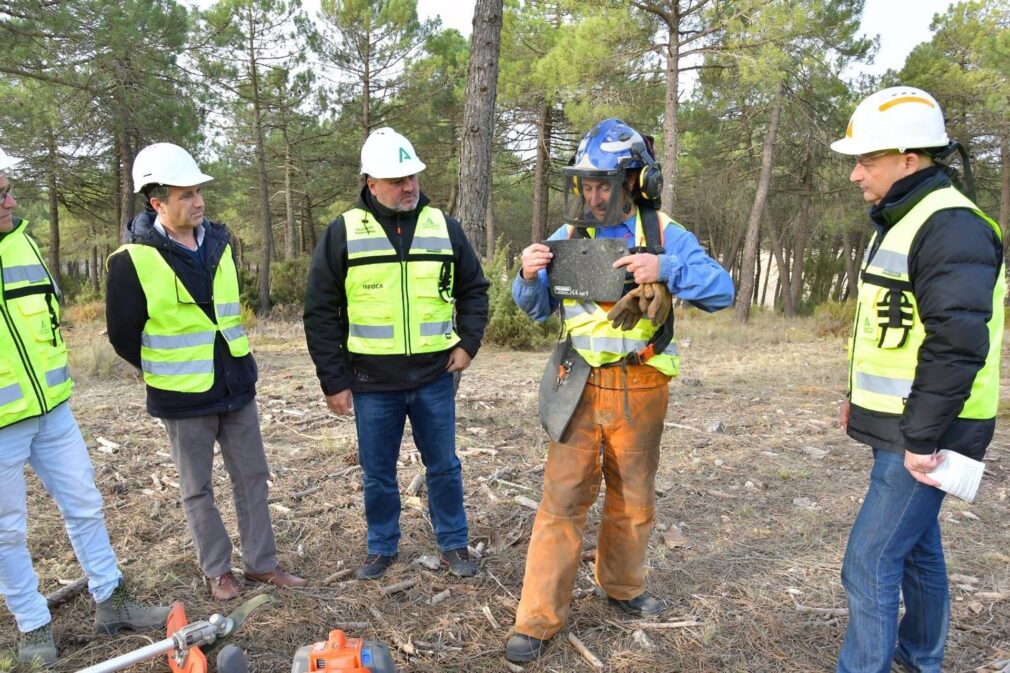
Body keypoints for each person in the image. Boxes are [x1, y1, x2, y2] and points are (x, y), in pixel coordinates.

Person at [504, 119, 735, 663]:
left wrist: (666, 268)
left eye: (604, 184)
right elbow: (537, 310)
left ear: (634, 181)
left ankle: (623, 587)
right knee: (561, 502)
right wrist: (527, 275)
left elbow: (722, 291)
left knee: (632, 500)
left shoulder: (664, 233)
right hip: (579, 382)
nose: (593, 194)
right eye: (586, 184)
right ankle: (536, 619)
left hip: (642, 382)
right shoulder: (569, 236)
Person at [830, 86, 1005, 673]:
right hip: (908, 421)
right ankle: (919, 656)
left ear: (909, 160)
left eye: (866, 160)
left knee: (870, 558)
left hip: (931, 428)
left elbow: (957, 345)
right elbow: (893, 330)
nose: (856, 174)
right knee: (916, 549)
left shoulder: (949, 225)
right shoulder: (911, 216)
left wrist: (923, 438)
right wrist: (860, 402)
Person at [106, 143, 306, 601]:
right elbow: (122, 334)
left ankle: (261, 564)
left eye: (198, 192)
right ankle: (219, 570)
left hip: (236, 384)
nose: (198, 202)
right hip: (182, 396)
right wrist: (164, 367)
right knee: (197, 489)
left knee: (253, 476)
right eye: (185, 195)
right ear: (157, 203)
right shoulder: (131, 260)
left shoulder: (220, 241)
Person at [0, 147, 170, 665]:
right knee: (6, 531)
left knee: (85, 505)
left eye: (7, 188)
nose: (9, 199)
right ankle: (34, 629)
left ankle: (111, 599)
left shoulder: (22, 243)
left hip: (52, 409)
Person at [304, 128, 489, 581]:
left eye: (413, 177)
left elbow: (474, 289)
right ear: (371, 183)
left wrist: (468, 343)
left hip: (433, 377)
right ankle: (382, 547)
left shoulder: (443, 227)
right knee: (378, 473)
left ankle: (453, 542)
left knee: (444, 465)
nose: (409, 187)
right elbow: (320, 311)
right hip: (371, 383)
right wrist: (334, 380)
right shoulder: (344, 232)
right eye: (397, 179)